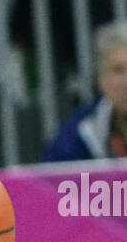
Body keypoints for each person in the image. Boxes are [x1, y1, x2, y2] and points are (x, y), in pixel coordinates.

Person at [41, 21, 127, 162]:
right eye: (117, 70)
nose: (126, 81)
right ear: (100, 80)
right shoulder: (78, 131)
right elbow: (48, 180)